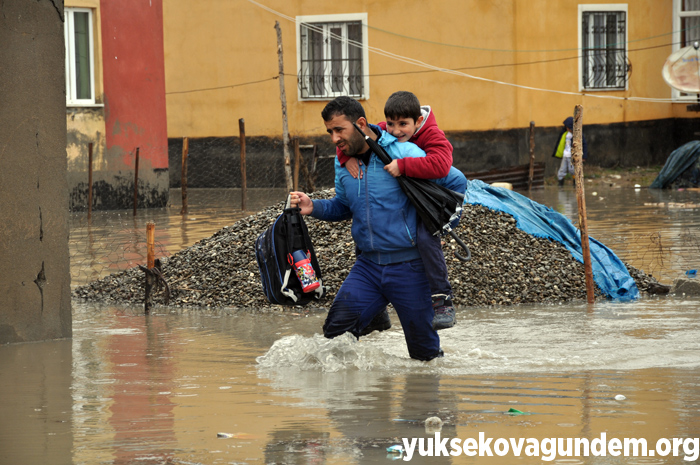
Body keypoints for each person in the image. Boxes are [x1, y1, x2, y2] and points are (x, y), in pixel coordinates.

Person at [290, 96, 466, 361]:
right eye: (330, 132)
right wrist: (313, 206)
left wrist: (438, 222)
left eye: (340, 130)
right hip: (368, 268)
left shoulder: (404, 153)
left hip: (411, 268)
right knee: (335, 337)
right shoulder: (343, 163)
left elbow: (456, 180)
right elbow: (343, 206)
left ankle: (428, 402)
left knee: (424, 358)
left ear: (360, 124)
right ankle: (367, 401)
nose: (334, 138)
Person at [334, 91, 458, 331]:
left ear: (418, 122)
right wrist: (343, 156)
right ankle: (377, 310)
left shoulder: (431, 133)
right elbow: (360, 134)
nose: (395, 131)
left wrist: (403, 165)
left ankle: (442, 299)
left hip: (442, 199)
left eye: (403, 125)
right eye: (391, 124)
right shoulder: (388, 129)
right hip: (415, 190)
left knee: (425, 237)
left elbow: (442, 166)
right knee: (368, 235)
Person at [552, 116, 589, 186]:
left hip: (572, 156)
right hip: (565, 155)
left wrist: (584, 156)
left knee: (573, 170)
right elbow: (560, 144)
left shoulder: (578, 135)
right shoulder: (565, 134)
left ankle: (576, 183)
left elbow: (584, 144)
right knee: (562, 170)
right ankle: (560, 183)